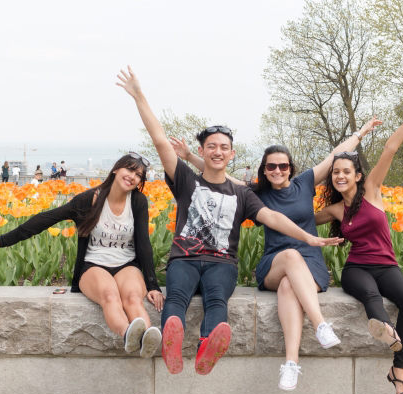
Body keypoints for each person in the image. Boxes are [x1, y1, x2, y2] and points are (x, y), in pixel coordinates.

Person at [116, 65, 342, 376]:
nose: (218, 151)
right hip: (185, 256)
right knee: (178, 295)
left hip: (222, 263)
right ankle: (172, 338)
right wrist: (140, 96)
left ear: (231, 154)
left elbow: (273, 217)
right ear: (201, 151)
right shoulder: (185, 179)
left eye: (224, 147)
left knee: (217, 297)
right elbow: (159, 142)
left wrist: (308, 238)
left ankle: (209, 343)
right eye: (212, 147)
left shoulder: (243, 194)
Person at [171, 118, 383, 391]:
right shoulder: (256, 194)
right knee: (290, 257)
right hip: (274, 262)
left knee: (288, 284)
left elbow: (334, 156)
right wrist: (189, 156)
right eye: (271, 166)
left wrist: (361, 132)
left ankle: (291, 364)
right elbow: (218, 173)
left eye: (283, 166)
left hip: (310, 266)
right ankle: (320, 324)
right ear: (264, 170)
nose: (277, 170)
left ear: (290, 168)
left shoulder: (305, 183)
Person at [0, 153, 165, 358]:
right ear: (116, 169)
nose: (132, 176)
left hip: (126, 264)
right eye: (129, 170)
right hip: (94, 265)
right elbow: (46, 218)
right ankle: (128, 334)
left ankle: (147, 340)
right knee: (110, 296)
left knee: (134, 297)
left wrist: (153, 285)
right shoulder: (88, 199)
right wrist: (2, 240)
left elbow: (144, 242)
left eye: (138, 174)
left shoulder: (137, 201)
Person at [315, 94, 403, 394]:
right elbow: (302, 222)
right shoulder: (336, 210)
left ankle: (398, 371)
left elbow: (390, 148)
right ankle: (386, 329)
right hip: (356, 268)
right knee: (371, 295)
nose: (339, 176)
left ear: (357, 175)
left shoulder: (373, 190)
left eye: (346, 171)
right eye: (335, 172)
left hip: (386, 265)